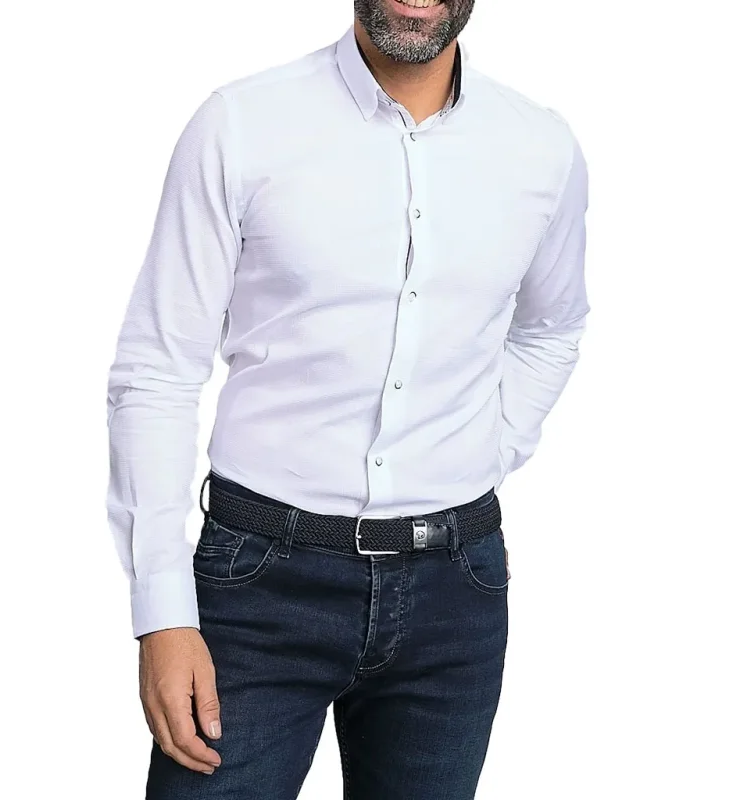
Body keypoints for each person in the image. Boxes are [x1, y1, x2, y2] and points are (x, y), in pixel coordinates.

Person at [105, 1, 589, 797]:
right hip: (258, 586)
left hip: (455, 596)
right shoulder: (241, 125)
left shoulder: (541, 148)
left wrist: (484, 449)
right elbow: (157, 366)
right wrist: (163, 610)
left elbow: (552, 327)